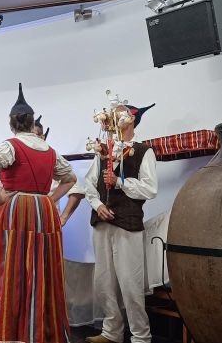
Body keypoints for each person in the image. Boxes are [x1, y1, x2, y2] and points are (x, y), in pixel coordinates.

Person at [0, 85, 77, 343]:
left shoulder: (10, 146)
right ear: (33, 124)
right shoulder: (50, 151)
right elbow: (71, 178)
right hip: (43, 211)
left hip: (15, 210)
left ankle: (9, 328)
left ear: (12, 123)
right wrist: (49, 199)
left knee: (9, 265)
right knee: (42, 267)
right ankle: (39, 328)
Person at [64, 100, 158, 343]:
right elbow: (90, 185)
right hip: (102, 223)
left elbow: (150, 189)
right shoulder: (103, 151)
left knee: (130, 283)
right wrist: (98, 205)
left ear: (131, 120)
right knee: (104, 280)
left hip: (127, 224)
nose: (109, 122)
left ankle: (140, 336)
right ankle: (111, 332)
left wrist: (119, 182)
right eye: (109, 117)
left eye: (116, 117)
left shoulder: (143, 151)